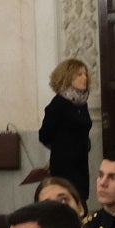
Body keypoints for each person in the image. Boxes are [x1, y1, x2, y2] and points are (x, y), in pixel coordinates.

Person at [40, 57, 95, 199]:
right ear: (67, 77)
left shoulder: (82, 103)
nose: (85, 77)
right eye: (79, 74)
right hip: (64, 165)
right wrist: (60, 149)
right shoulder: (58, 103)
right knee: (67, 199)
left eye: (85, 74)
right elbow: (44, 135)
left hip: (81, 162)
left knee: (80, 200)